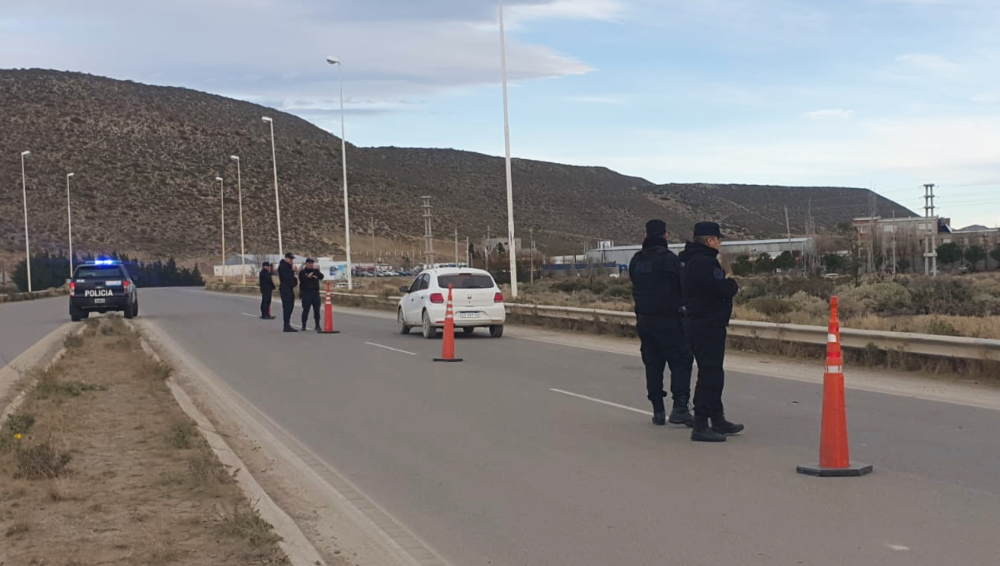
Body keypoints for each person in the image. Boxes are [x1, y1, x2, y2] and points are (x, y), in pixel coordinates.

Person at [679, 221, 744, 442]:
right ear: (710, 240)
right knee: (710, 374)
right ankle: (700, 424)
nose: (720, 243)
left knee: (713, 372)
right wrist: (731, 284)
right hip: (707, 324)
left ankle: (717, 418)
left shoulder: (689, 260)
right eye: (718, 239)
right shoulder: (705, 263)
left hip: (699, 322)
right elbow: (720, 289)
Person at [628, 219, 694, 427]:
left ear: (646, 235)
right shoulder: (670, 260)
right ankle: (680, 407)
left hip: (645, 320)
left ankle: (658, 410)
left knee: (653, 364)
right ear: (665, 235)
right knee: (681, 361)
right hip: (670, 320)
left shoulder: (636, 260)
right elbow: (683, 287)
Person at [298, 258, 325, 332]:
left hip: (315, 293)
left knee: (317, 311)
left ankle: (317, 325)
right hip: (306, 293)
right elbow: (302, 280)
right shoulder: (302, 272)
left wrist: (316, 274)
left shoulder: (315, 271)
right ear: (306, 264)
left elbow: (321, 276)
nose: (311, 265)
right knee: (306, 310)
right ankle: (303, 325)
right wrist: (308, 277)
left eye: (312, 263)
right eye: (309, 263)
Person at [277, 252, 299, 332]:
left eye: (292, 259)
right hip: (285, 289)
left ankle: (287, 323)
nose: (291, 260)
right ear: (286, 258)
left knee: (290, 306)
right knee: (287, 307)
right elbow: (286, 277)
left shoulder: (289, 266)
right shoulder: (283, 266)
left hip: (289, 288)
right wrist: (292, 271)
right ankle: (286, 325)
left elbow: (292, 279)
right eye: (290, 259)